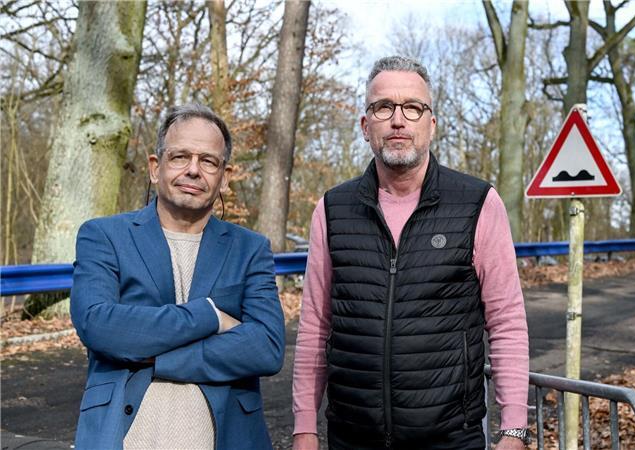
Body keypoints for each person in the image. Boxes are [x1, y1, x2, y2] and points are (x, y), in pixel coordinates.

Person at [292, 56, 531, 449]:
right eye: (383, 107)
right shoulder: (332, 209)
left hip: (451, 437)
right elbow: (315, 326)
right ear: (366, 126)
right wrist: (304, 428)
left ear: (431, 124)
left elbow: (507, 323)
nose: (398, 120)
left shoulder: (477, 204)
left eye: (413, 108)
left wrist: (514, 431)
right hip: (352, 437)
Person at [70, 104, 285, 450]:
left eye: (208, 161)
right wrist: (210, 316)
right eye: (180, 157)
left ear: (225, 178)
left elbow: (266, 348)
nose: (194, 171)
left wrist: (157, 356)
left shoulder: (250, 249)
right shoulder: (104, 236)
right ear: (155, 168)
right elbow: (99, 325)